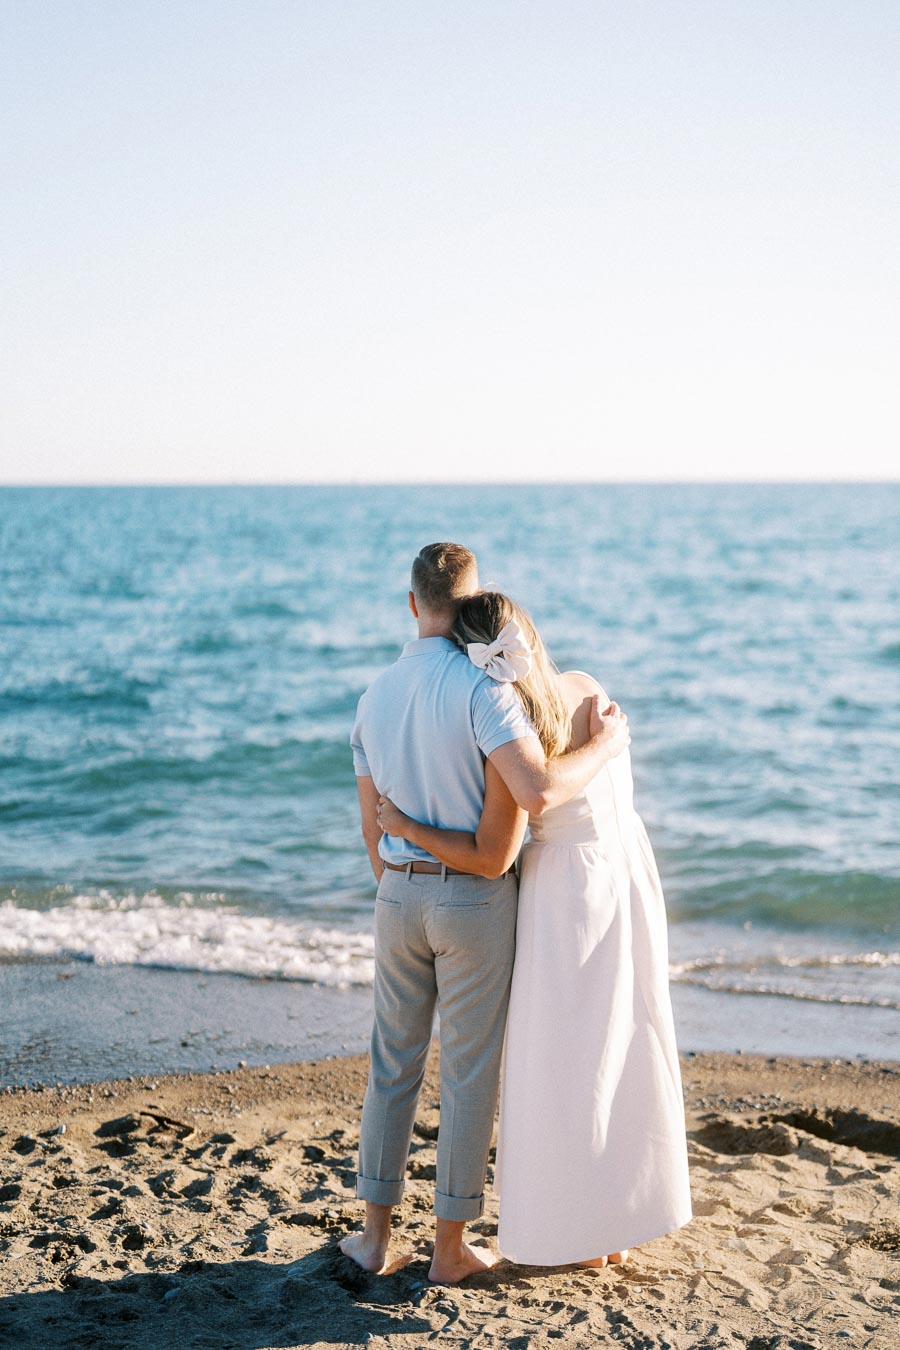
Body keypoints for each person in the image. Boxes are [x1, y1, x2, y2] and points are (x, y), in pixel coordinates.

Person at [376, 589, 692, 1268]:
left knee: (559, 1062)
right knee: (620, 1046)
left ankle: (575, 1232)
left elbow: (512, 830)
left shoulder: (507, 725)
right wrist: (605, 745)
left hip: (560, 892)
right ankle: (615, 1222)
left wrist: (406, 830)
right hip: (626, 874)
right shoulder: (586, 688)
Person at [342, 544, 630, 1284]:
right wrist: (602, 746)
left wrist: (403, 878)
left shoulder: (372, 698)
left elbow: (374, 836)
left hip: (396, 895)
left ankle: (372, 1241)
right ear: (473, 602)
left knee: (391, 1066)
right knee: (469, 1077)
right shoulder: (483, 689)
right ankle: (448, 1250)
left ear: (412, 604)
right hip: (471, 902)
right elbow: (533, 795)